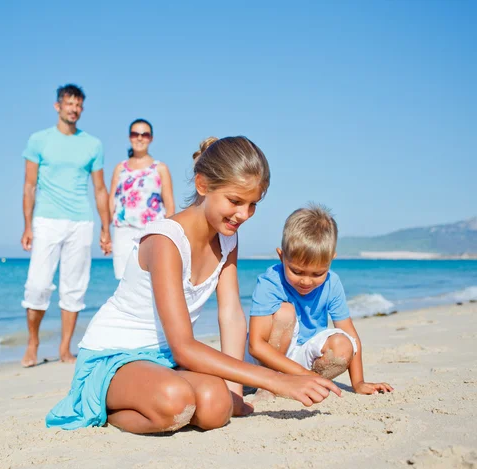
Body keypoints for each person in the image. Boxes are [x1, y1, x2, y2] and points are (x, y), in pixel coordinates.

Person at [46, 137, 340, 434]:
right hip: (113, 356)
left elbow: (231, 314)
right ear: (202, 185)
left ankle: (167, 395)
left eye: (253, 204)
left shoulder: (228, 238)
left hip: (164, 362)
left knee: (216, 406)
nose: (244, 214)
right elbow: (185, 347)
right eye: (235, 201)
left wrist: (235, 392)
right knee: (175, 401)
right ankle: (106, 408)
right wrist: (277, 380)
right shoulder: (165, 242)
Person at [248, 204, 393, 396]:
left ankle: (300, 382)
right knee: (285, 313)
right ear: (281, 256)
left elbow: (350, 333)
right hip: (265, 357)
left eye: (318, 273)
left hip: (304, 355)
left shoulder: (332, 283)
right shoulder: (271, 282)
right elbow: (256, 346)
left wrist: (358, 383)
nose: (306, 281)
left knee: (343, 346)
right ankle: (273, 382)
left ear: (330, 260)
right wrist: (304, 374)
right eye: (297, 271)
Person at [20, 84, 112, 368]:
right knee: (37, 285)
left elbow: (99, 189)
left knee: (74, 288)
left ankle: (65, 347)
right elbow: (29, 185)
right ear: (57, 106)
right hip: (46, 220)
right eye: (69, 103)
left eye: (78, 105)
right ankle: (33, 341)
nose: (74, 108)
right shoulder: (38, 140)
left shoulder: (92, 144)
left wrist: (105, 228)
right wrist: (27, 226)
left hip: (81, 221)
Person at [108, 119, 175, 279]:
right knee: (124, 280)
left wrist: (169, 236)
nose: (139, 138)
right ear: (129, 137)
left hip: (152, 232)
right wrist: (106, 232)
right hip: (123, 232)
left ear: (151, 138)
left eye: (144, 134)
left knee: (149, 280)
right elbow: (112, 201)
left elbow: (170, 206)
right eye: (135, 134)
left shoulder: (160, 168)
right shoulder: (120, 168)